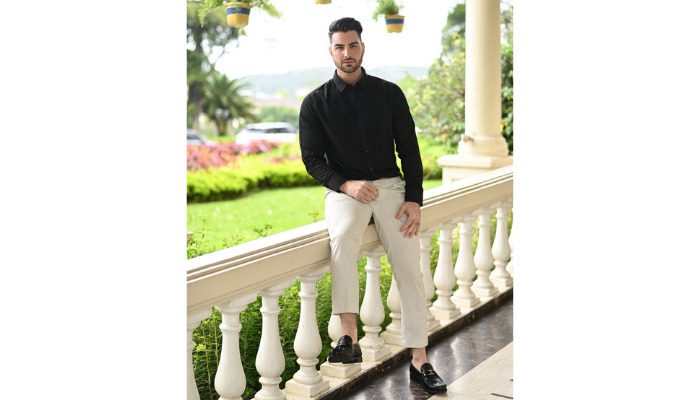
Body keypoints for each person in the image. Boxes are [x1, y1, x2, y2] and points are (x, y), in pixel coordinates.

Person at [298, 17, 447, 394]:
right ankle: (348, 338)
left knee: (409, 267)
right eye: (339, 47)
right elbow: (312, 159)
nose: (347, 53)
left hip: (391, 189)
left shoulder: (389, 94)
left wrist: (414, 199)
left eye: (353, 45)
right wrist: (345, 184)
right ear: (330, 51)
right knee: (343, 238)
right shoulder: (315, 103)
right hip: (345, 191)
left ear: (362, 47)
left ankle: (420, 360)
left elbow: (409, 149)